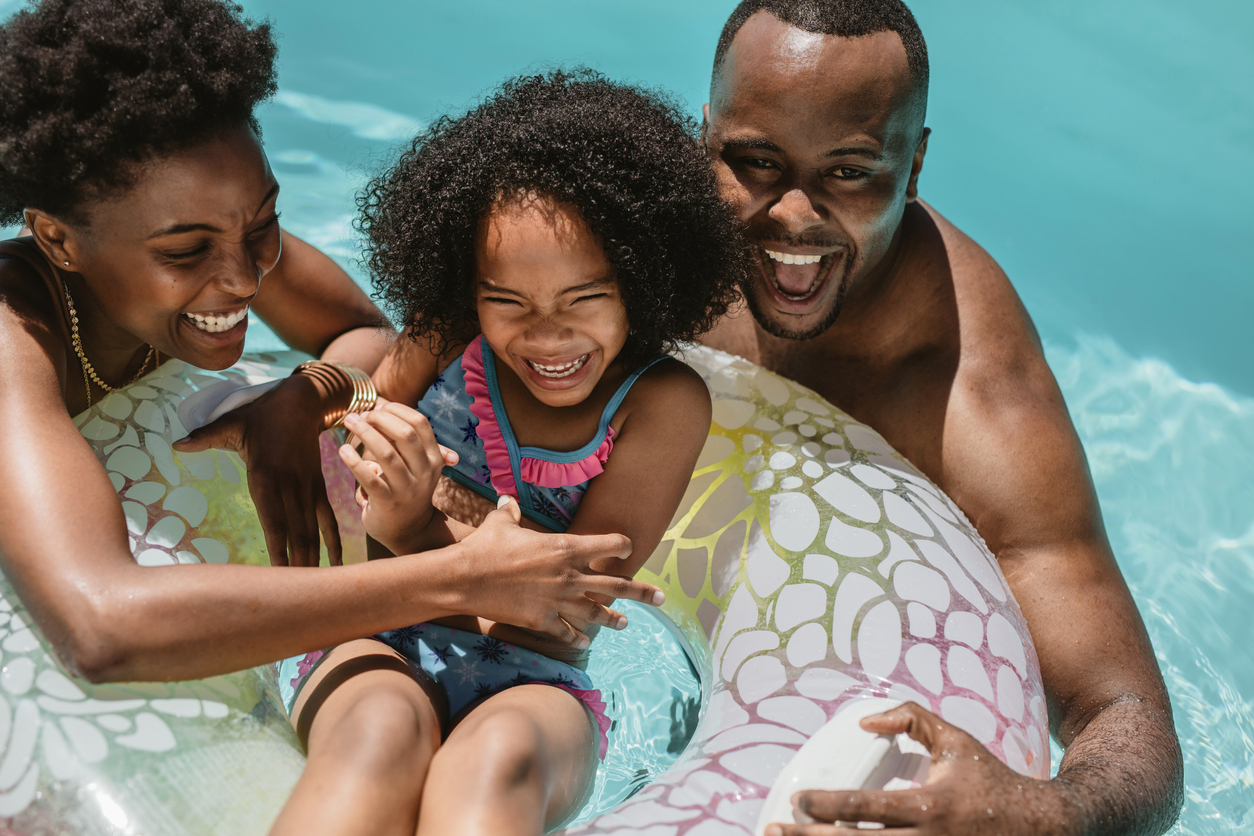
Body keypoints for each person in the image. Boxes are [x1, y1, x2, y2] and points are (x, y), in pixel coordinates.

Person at [0, 1, 661, 695]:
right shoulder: (16, 336)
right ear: (57, 240)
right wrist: (459, 576)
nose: (245, 274)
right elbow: (101, 628)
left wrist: (298, 398)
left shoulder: (224, 235)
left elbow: (366, 335)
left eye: (264, 222)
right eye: (186, 250)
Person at [698, 1, 1184, 834]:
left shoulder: (971, 400)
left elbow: (1126, 715)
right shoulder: (654, 233)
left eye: (851, 171)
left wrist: (1042, 812)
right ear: (705, 133)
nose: (793, 217)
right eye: (756, 161)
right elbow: (420, 346)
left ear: (915, 163)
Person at [268, 70, 747, 836]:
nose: (548, 337)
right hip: (379, 627)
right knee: (377, 736)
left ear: (642, 282)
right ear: (470, 287)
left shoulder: (663, 401)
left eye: (584, 299)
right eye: (509, 302)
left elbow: (568, 607)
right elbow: (353, 468)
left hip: (540, 678)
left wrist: (419, 527)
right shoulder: (444, 331)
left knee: (496, 762)